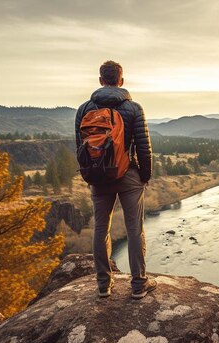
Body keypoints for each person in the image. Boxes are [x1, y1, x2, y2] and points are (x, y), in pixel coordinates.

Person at [75, 60, 157, 299]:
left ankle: (103, 285)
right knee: (134, 230)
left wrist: (90, 175)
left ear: (100, 80)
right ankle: (139, 284)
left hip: (99, 177)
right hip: (129, 174)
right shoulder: (134, 109)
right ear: (121, 80)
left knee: (100, 230)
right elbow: (144, 148)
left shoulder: (84, 109)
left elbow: (80, 147)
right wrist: (145, 175)